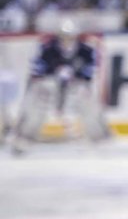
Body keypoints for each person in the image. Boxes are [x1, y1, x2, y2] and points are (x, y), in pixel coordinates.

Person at [10, 19, 111, 156]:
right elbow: (37, 70)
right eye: (64, 36)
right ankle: (24, 138)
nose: (67, 40)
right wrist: (53, 74)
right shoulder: (47, 49)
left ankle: (99, 137)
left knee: (87, 98)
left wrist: (75, 75)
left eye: (69, 36)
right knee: (37, 101)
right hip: (50, 84)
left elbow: (89, 72)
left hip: (74, 86)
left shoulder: (85, 51)